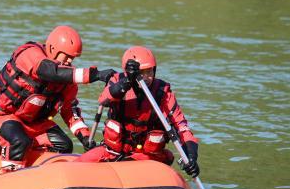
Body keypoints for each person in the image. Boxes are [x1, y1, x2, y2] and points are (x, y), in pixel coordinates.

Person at [0, 25, 115, 170]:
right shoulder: (30, 54)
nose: (69, 61)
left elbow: (69, 112)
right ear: (52, 49)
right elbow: (49, 71)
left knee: (65, 145)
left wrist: (84, 137)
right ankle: (9, 173)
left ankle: (33, 164)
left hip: (33, 124)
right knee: (20, 141)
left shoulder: (67, 81)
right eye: (66, 56)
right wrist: (94, 75)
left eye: (72, 58)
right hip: (2, 117)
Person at [76, 46, 200, 178]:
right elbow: (104, 99)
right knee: (80, 165)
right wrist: (127, 82)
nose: (146, 77)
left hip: (147, 156)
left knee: (162, 157)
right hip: (114, 150)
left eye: (150, 72)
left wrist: (191, 155)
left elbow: (181, 126)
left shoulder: (163, 92)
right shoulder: (118, 81)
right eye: (142, 72)